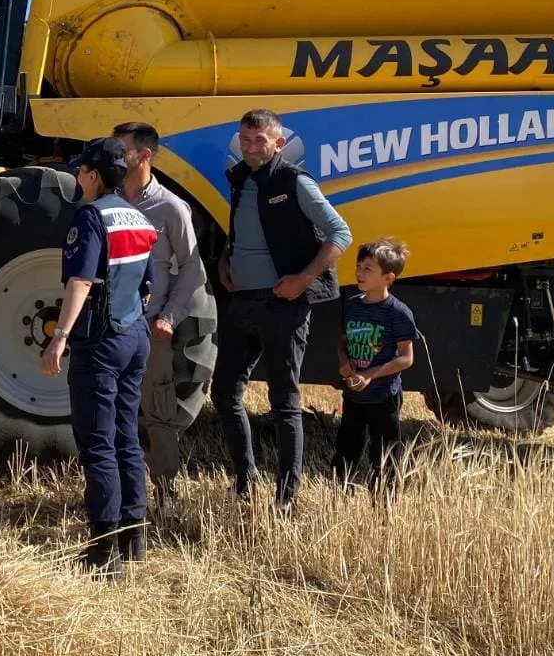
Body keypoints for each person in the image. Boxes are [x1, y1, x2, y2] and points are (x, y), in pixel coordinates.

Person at [213, 108, 352, 509]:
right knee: (223, 392)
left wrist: (303, 279)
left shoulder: (295, 181)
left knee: (284, 403)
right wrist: (226, 258)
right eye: (245, 140)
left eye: (259, 140)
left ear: (278, 143)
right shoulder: (239, 179)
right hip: (242, 302)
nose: (251, 147)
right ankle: (245, 483)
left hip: (282, 305)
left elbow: (341, 233)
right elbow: (245, 229)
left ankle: (286, 498)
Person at [42, 137, 157, 575]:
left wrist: (60, 336)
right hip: (135, 335)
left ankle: (104, 549)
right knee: (127, 437)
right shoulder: (138, 216)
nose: (77, 177)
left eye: (80, 170)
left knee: (97, 443)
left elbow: (81, 282)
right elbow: (147, 286)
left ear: (93, 174)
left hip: (101, 340)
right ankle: (135, 537)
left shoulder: (90, 217)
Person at [111, 120, 215, 523]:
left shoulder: (171, 208)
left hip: (150, 327)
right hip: (111, 328)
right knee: (113, 411)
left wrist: (170, 317)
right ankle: (118, 496)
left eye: (122, 149)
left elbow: (191, 267)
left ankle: (166, 495)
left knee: (158, 414)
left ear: (145, 156)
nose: (116, 156)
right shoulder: (108, 201)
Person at [333, 239, 416, 490]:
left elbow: (406, 358)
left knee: (384, 457)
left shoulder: (398, 313)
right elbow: (343, 342)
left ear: (388, 278)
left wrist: (369, 374)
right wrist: (344, 362)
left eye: (368, 269)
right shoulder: (352, 305)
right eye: (359, 266)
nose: (359, 272)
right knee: (345, 452)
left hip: (384, 397)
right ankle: (340, 497)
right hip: (353, 396)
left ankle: (384, 504)